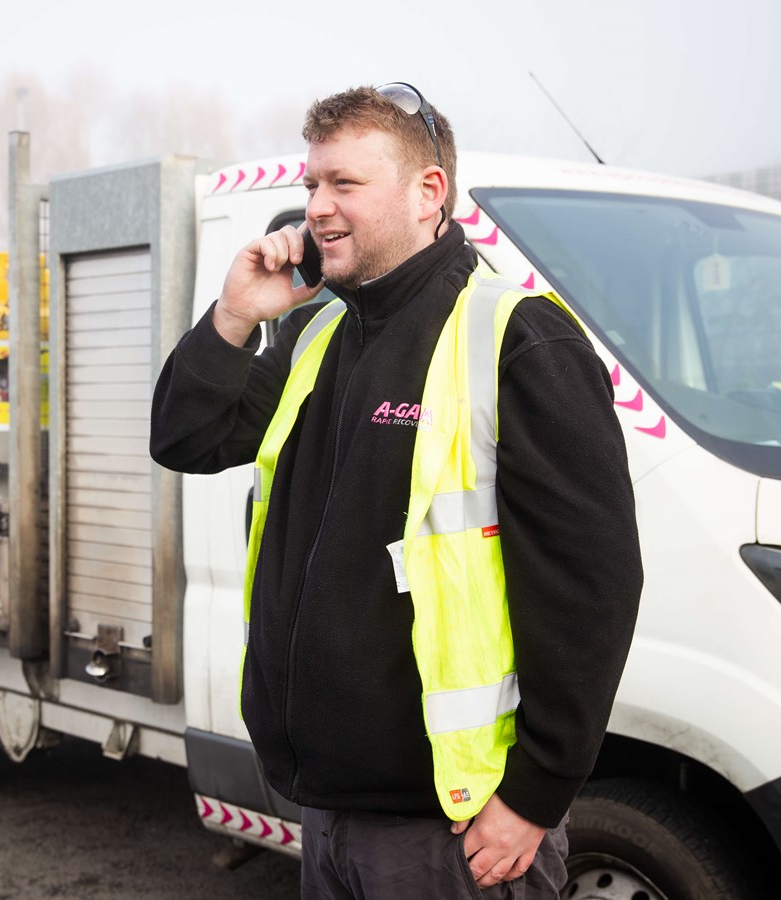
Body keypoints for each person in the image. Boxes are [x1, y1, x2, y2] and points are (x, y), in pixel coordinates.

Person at [150, 83, 642, 899]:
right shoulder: (317, 334)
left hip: (453, 831)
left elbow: (594, 586)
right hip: (329, 814)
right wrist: (236, 314)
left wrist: (534, 796)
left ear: (428, 194)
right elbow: (186, 438)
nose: (317, 208)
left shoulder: (517, 337)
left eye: (345, 184)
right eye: (311, 186)